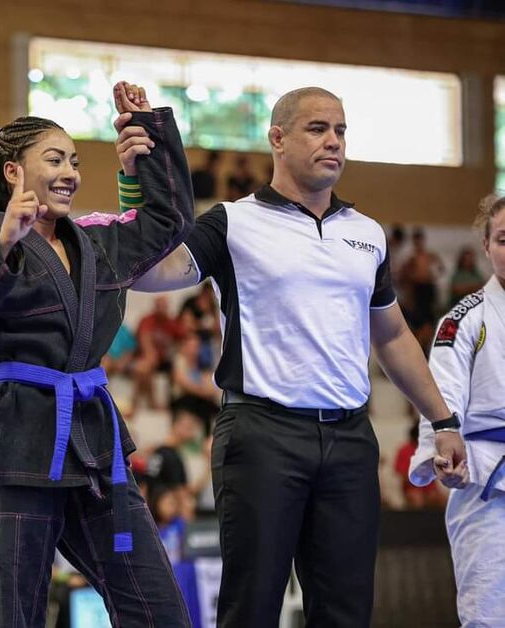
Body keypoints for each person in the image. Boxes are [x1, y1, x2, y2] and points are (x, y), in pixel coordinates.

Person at [118, 85, 468, 627]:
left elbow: (393, 335)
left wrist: (441, 418)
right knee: (252, 609)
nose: (334, 141)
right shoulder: (233, 222)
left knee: (346, 614)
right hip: (261, 436)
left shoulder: (368, 234)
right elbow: (146, 273)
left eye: (341, 130)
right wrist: (134, 183)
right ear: (277, 138)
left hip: (351, 440)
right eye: (318, 128)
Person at [0, 82, 193, 626]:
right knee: (17, 615)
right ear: (14, 173)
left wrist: (148, 135)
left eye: (75, 160)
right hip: (19, 441)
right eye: (54, 159)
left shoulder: (97, 238)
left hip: (95, 439)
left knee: (159, 610)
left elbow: (168, 224)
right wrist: (4, 242)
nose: (70, 172)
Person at [408, 194, 505, 626]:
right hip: (487, 480)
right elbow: (440, 394)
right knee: (488, 614)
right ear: (486, 247)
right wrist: (444, 452)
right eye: (504, 238)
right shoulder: (463, 319)